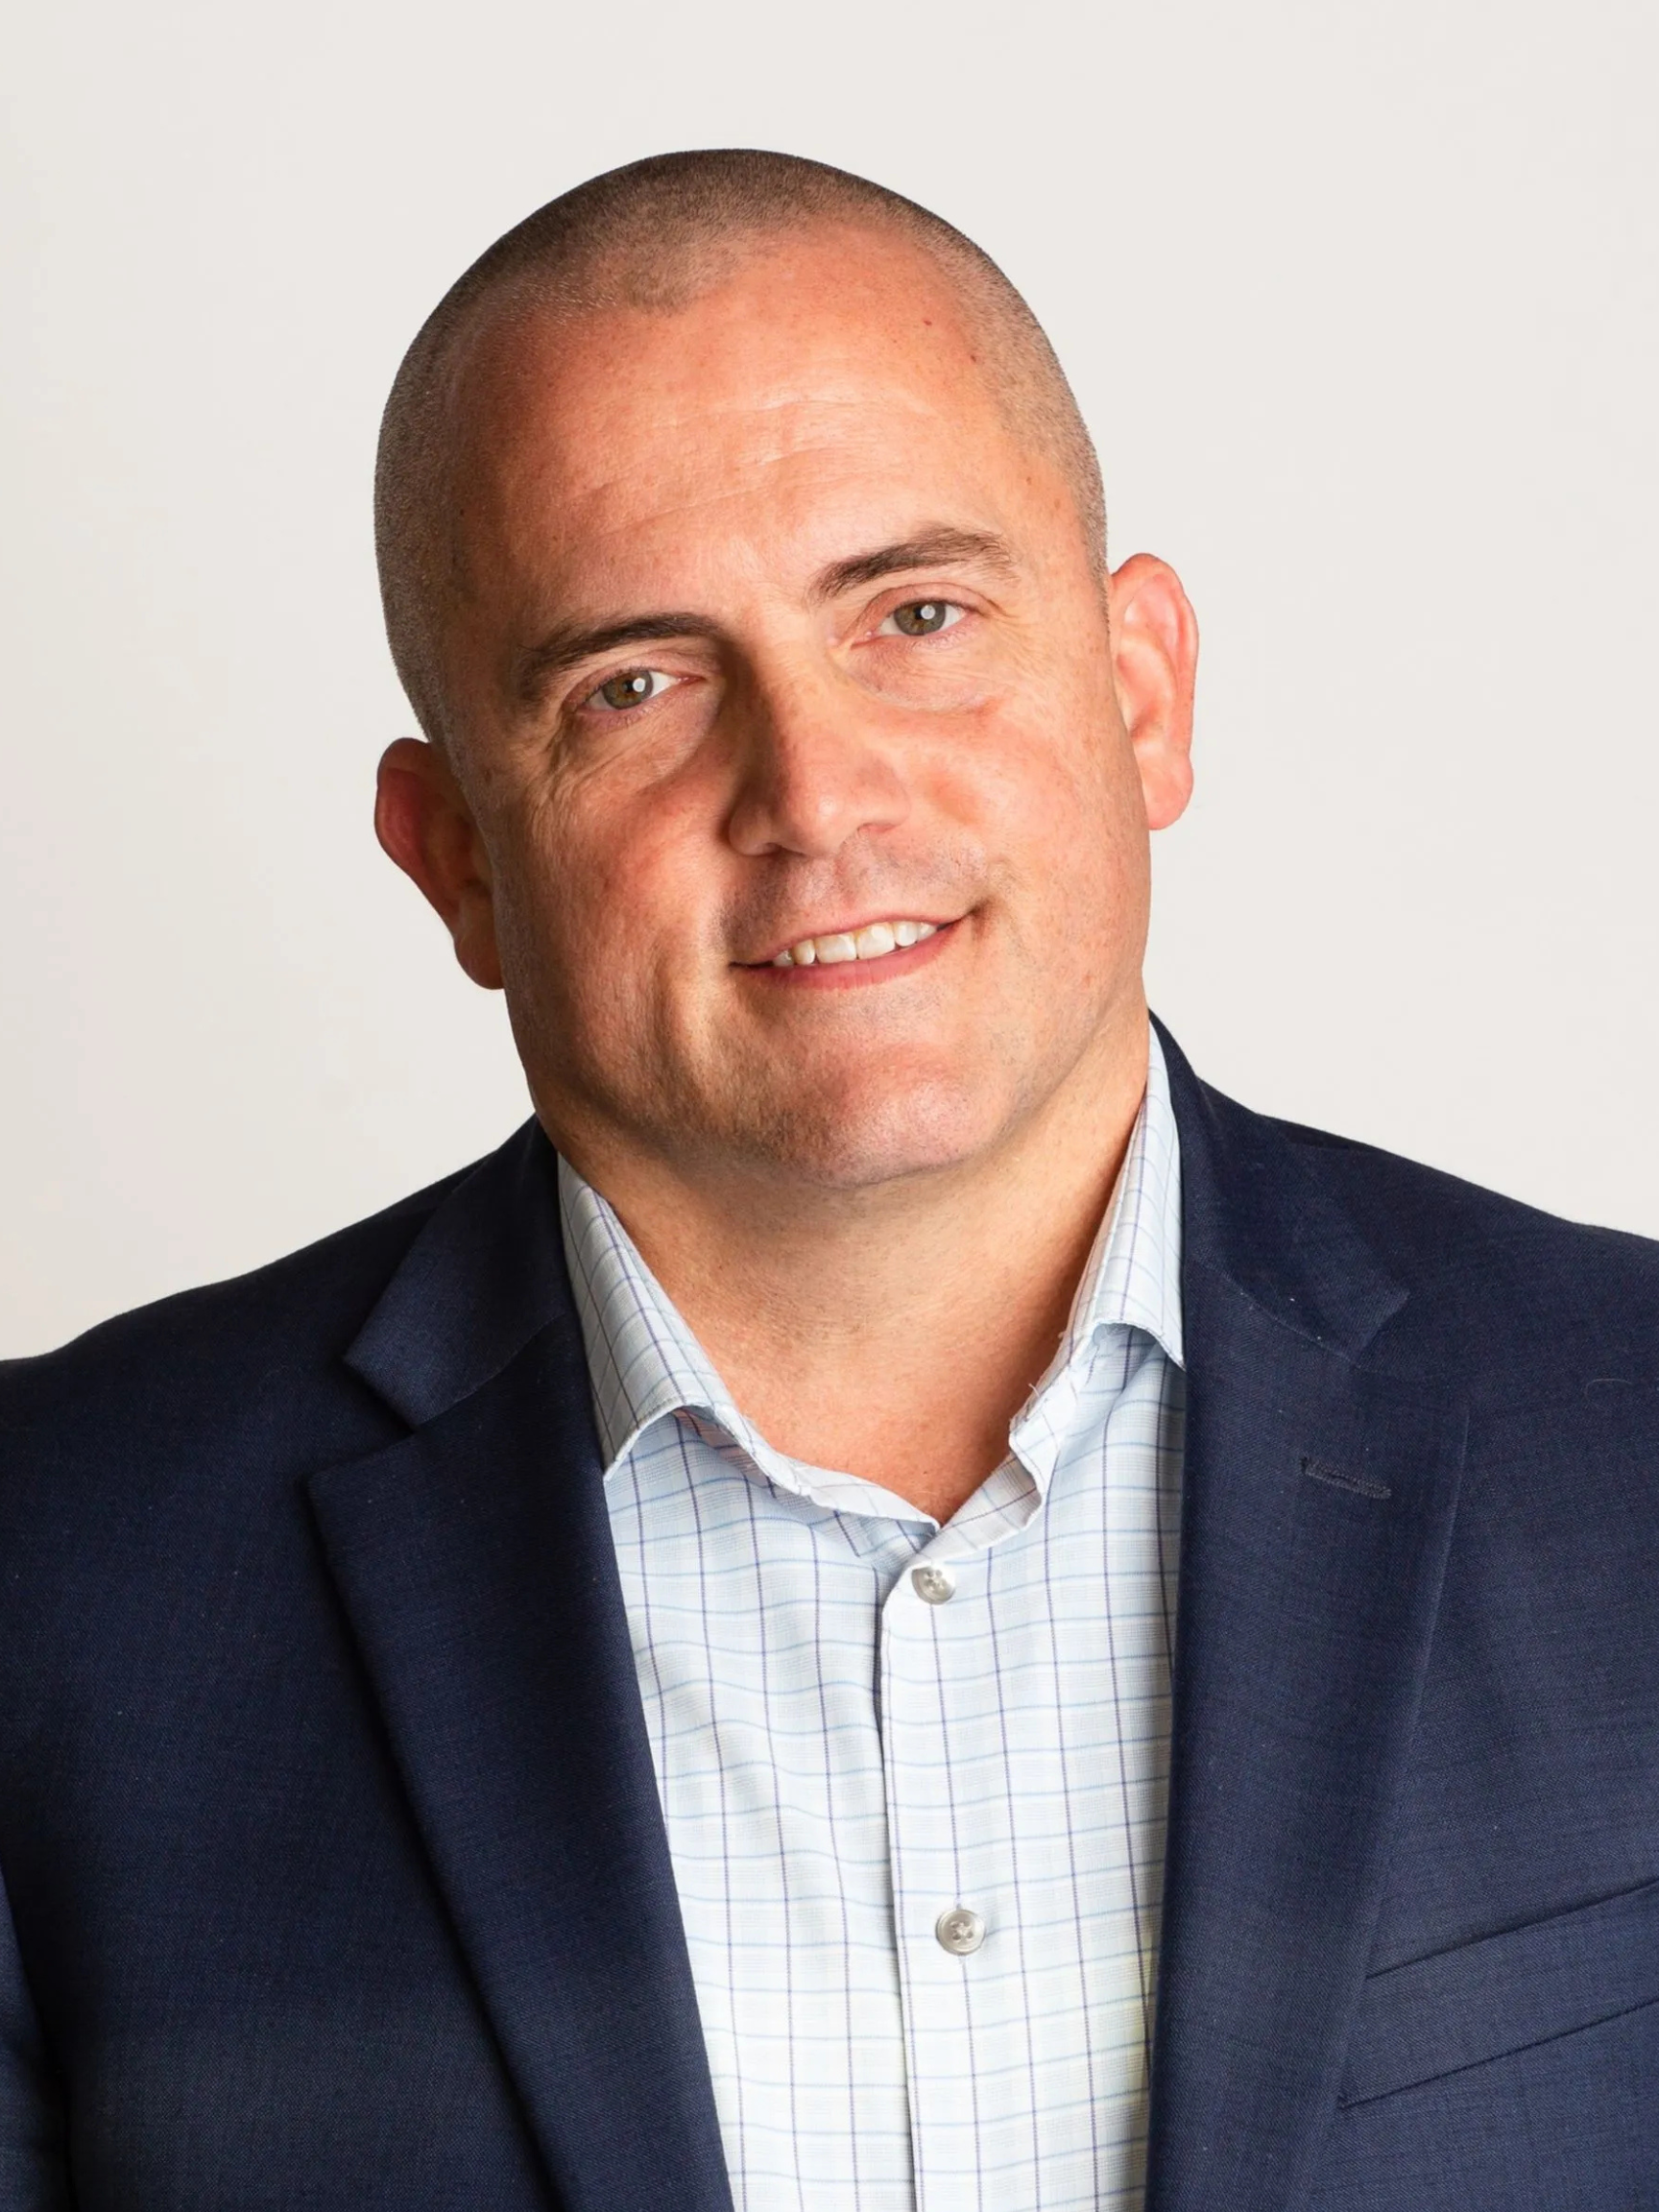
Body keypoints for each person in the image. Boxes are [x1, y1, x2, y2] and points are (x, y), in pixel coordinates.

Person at [1, 148, 1655, 2212]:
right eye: (636, 685)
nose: (816, 790)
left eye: (921, 613)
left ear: (1144, 698)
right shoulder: (51, 1584)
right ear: (455, 862)